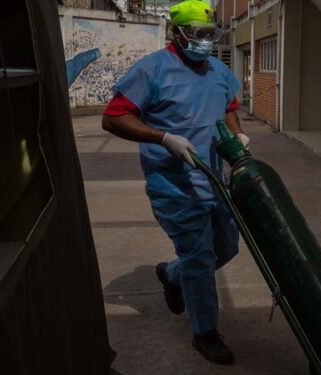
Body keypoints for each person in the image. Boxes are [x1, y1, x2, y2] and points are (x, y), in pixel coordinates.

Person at [101, 0, 247, 365]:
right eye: (198, 34)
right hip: (175, 184)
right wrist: (163, 138)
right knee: (199, 258)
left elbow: (228, 107)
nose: (206, 42)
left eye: (211, 34)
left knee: (227, 248)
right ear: (177, 33)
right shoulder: (152, 70)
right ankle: (205, 332)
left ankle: (171, 273)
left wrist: (238, 138)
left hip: (216, 180)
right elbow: (113, 118)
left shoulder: (217, 70)